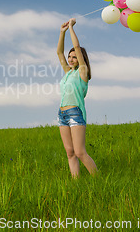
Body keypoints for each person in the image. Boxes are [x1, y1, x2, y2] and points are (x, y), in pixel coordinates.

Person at [56, 18, 97, 178]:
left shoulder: (83, 72)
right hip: (62, 114)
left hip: (75, 113)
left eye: (74, 57)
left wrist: (71, 28)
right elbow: (59, 53)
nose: (71, 59)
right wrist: (62, 32)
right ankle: (75, 183)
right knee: (70, 152)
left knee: (80, 152)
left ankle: (97, 180)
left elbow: (78, 48)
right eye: (70, 56)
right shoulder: (68, 72)